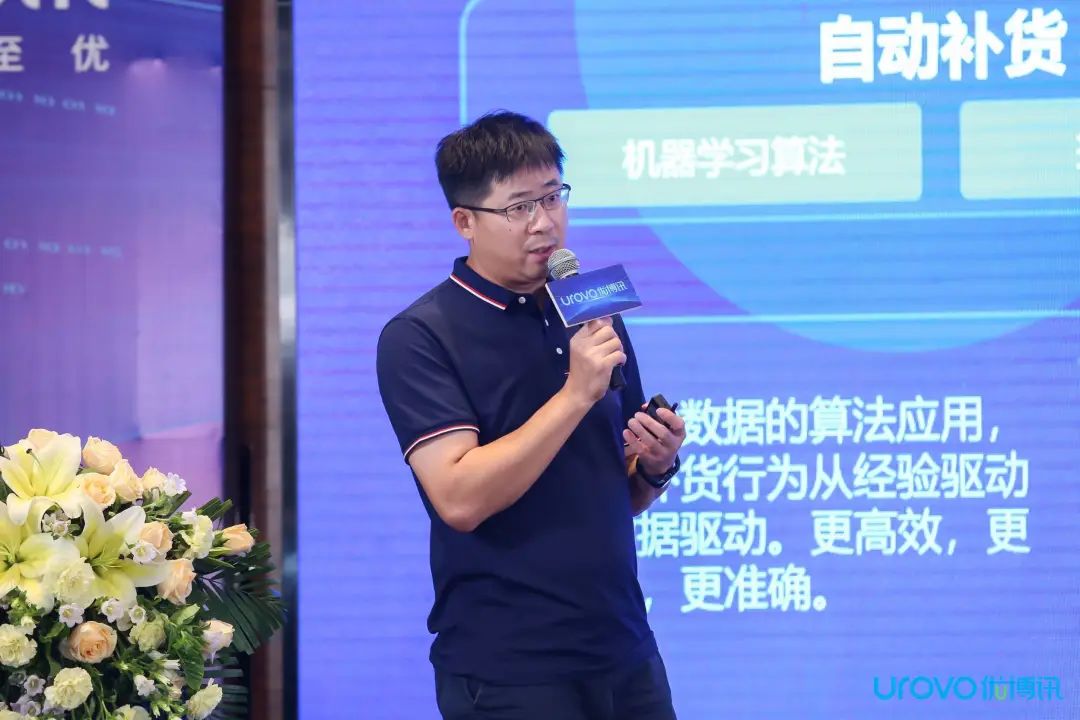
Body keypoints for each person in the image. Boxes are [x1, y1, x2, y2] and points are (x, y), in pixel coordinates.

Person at [376, 110, 685, 719]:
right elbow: (460, 499)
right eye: (519, 207)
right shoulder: (420, 336)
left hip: (624, 649)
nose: (545, 222)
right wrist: (573, 395)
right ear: (465, 221)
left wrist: (654, 464)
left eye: (552, 196)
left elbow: (615, 491)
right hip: (509, 669)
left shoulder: (588, 307)